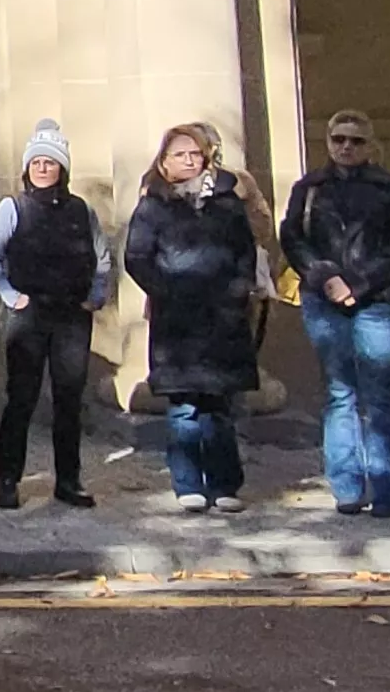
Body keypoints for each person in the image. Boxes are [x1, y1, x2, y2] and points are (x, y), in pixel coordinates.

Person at [281, 109, 390, 519]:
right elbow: (293, 237)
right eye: (339, 139)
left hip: (379, 298)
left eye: (356, 140)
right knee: (339, 393)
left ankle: (388, 488)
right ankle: (346, 486)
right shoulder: (309, 187)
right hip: (323, 298)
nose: (346, 147)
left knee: (379, 394)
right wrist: (326, 278)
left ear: (370, 145)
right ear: (327, 142)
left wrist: (357, 284)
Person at [126, 124, 259, 514]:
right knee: (183, 408)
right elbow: (137, 257)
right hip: (176, 321)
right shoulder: (152, 206)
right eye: (178, 154)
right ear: (163, 163)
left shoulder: (226, 203)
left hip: (221, 318)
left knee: (218, 406)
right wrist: (166, 291)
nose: (187, 160)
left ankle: (225, 484)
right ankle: (188, 484)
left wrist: (237, 291)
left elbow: (244, 253)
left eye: (193, 154)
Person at [0, 120, 109, 510]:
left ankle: (68, 480)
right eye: (36, 161)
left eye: (50, 162)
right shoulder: (13, 208)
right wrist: (9, 295)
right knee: (20, 398)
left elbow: (100, 256)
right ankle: (8, 480)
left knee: (68, 400)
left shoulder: (80, 210)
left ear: (62, 169)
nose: (42, 168)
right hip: (29, 314)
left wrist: (96, 296)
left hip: (72, 315)